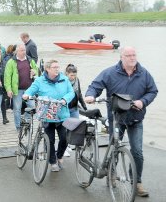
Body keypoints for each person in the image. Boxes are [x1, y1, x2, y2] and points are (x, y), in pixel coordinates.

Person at [84, 46, 158, 197]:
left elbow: (153, 90)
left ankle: (136, 182)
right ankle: (111, 173)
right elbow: (95, 86)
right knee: (114, 148)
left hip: (136, 118)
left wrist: (143, 101)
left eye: (134, 54)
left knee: (137, 152)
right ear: (121, 57)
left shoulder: (144, 73)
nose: (132, 58)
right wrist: (90, 95)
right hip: (116, 119)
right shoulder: (110, 72)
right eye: (128, 55)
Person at [22, 59, 75, 172]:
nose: (57, 69)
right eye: (54, 67)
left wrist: (65, 100)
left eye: (58, 67)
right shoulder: (40, 81)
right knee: (49, 140)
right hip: (47, 115)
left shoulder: (64, 79)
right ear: (47, 69)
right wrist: (27, 94)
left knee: (64, 139)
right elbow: (31, 90)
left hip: (62, 115)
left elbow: (71, 92)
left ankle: (59, 156)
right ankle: (52, 161)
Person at [4, 44, 38, 131]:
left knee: (32, 107)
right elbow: (7, 77)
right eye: (22, 50)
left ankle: (26, 122)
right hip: (17, 90)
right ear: (17, 52)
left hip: (29, 89)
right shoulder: (11, 62)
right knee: (17, 109)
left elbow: (37, 72)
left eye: (24, 50)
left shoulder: (30, 60)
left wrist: (34, 72)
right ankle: (18, 126)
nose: (24, 52)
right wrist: (8, 89)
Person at [0, 45, 17, 124]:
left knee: (4, 100)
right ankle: (1, 116)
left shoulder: (9, 57)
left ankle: (4, 117)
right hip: (2, 81)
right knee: (3, 99)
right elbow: (6, 72)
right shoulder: (8, 59)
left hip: (6, 81)